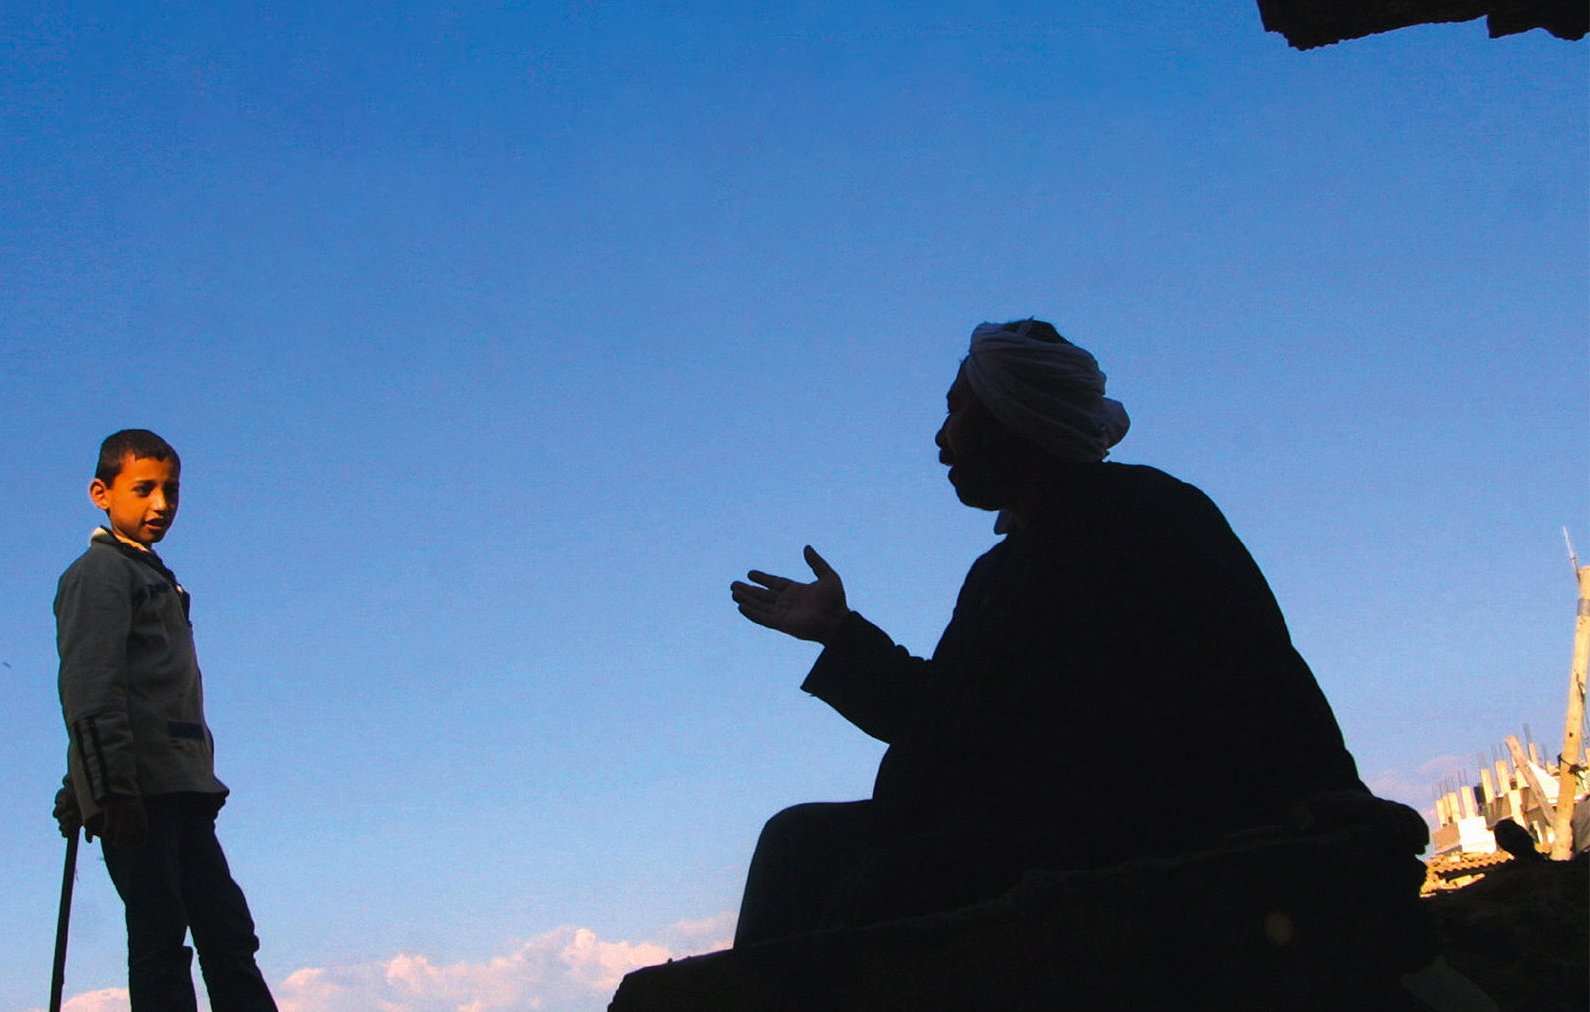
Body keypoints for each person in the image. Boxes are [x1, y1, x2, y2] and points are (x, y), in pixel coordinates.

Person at [728, 320, 1431, 953]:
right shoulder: (1081, 531)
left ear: (1013, 420)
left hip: (1152, 837)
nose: (941, 436)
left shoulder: (1114, 526)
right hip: (1107, 824)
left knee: (820, 854)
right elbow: (956, 720)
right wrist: (838, 634)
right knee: (814, 846)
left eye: (957, 409)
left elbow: (964, 736)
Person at [52, 429, 277, 1011]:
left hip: (180, 790)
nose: (160, 504)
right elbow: (91, 688)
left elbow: (140, 693)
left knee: (227, 934)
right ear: (102, 492)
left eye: (171, 491)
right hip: (138, 797)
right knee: (161, 941)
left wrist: (78, 784)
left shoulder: (152, 574)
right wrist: (102, 790)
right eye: (144, 488)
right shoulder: (99, 574)